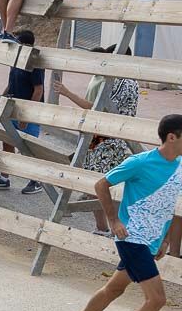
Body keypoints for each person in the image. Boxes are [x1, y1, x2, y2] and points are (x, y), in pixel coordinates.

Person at [58, 114, 182, 311]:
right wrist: (113, 220)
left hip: (150, 241)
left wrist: (166, 242)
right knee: (157, 299)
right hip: (131, 237)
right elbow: (102, 184)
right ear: (172, 137)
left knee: (114, 289)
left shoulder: (180, 165)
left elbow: (172, 204)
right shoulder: (141, 162)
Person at [52, 46, 139, 235]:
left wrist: (67, 93)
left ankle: (112, 226)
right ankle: (102, 227)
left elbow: (100, 108)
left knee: (103, 186)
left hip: (109, 139)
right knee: (97, 185)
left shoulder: (124, 82)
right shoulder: (116, 80)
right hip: (100, 137)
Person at [0, 30, 44, 195]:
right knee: (7, 140)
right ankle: (4, 178)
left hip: (28, 110)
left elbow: (38, 90)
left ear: (26, 46)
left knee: (30, 146)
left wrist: (26, 115)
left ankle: (35, 180)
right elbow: (11, 83)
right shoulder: (16, 59)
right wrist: (1, 100)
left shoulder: (35, 63)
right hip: (12, 107)